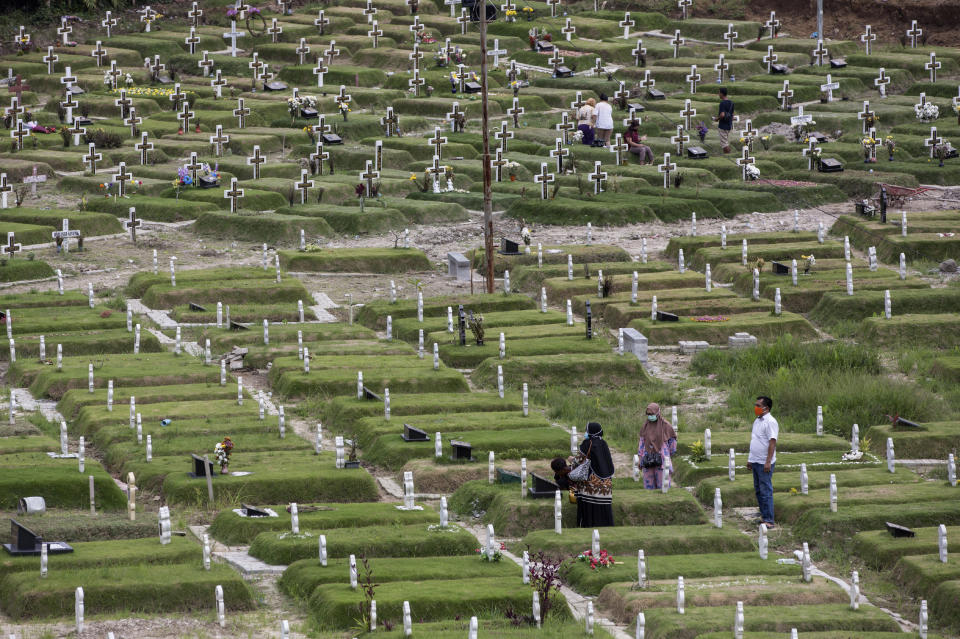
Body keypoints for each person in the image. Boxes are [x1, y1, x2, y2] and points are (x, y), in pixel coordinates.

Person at [572, 422, 615, 527]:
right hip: (606, 485)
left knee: (589, 506)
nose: (586, 433)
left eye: (587, 431)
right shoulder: (604, 443)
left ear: (590, 432)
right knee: (602, 507)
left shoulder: (587, 444)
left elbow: (577, 461)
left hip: (590, 485)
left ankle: (588, 525)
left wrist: (571, 460)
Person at [748, 396, 778, 529]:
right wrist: (750, 459)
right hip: (755, 460)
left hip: (764, 462)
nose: (756, 407)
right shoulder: (757, 421)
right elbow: (754, 440)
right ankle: (763, 514)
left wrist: (768, 461)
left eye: (758, 405)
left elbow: (772, 442)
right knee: (758, 490)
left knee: (766, 490)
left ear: (766, 408)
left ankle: (769, 520)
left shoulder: (770, 422)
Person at [637, 403, 677, 490]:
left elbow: (672, 444)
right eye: (648, 414)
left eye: (652, 414)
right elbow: (641, 443)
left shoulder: (666, 426)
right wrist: (640, 458)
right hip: (647, 459)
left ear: (657, 413)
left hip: (662, 460)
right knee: (649, 487)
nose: (650, 416)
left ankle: (663, 503)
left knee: (662, 486)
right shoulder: (645, 426)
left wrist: (665, 453)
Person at [716, 87, 734, 153]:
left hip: (723, 126)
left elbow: (722, 114)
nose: (718, 94)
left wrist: (717, 119)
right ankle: (729, 155)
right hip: (729, 125)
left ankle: (728, 156)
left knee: (724, 144)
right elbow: (732, 115)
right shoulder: (731, 103)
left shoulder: (722, 103)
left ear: (722, 93)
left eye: (719, 92)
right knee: (726, 142)